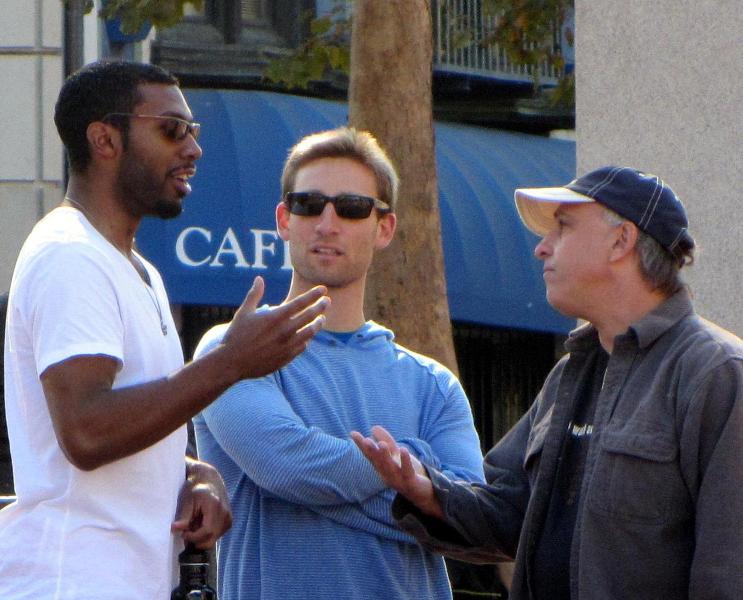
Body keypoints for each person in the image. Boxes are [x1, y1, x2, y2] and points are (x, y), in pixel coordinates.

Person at [0, 60, 328, 599]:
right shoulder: (70, 256)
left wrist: (193, 472)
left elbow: (119, 436)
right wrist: (229, 364)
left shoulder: (138, 271)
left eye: (192, 132)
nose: (193, 149)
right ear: (104, 139)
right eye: (172, 130)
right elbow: (86, 432)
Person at [353, 166, 743, 599]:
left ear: (622, 240)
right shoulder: (570, 373)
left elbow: (729, 570)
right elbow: (511, 511)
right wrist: (429, 493)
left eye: (563, 227)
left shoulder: (718, 373)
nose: (541, 249)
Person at [193, 127, 485, 600]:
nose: (327, 223)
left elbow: (470, 519)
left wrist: (325, 490)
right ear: (284, 219)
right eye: (309, 204)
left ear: (384, 227)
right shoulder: (232, 352)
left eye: (351, 208)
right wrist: (417, 470)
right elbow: (292, 470)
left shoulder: (433, 384)